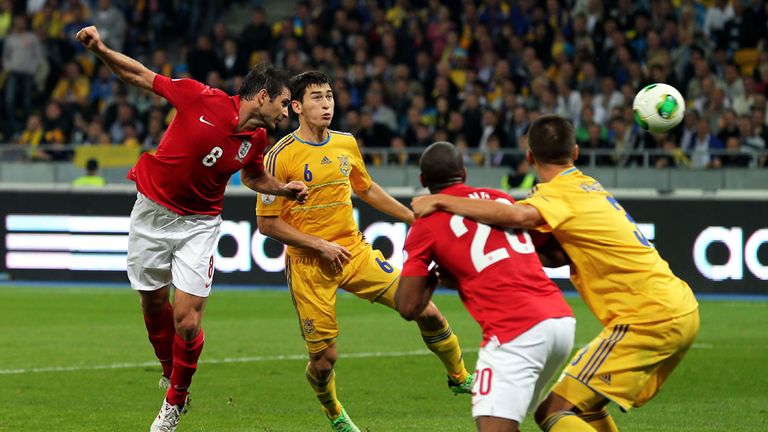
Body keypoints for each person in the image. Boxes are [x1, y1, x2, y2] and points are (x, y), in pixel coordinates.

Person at [75, 26, 308, 432]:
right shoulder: (202, 97)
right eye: (285, 103)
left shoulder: (255, 138)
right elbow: (141, 76)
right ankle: (172, 372)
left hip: (199, 225)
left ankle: (174, 402)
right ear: (263, 95)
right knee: (152, 305)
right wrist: (100, 48)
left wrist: (283, 190)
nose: (287, 112)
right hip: (151, 211)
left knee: (187, 319)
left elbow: (252, 178)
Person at [412, 114, 700, 432]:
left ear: (529, 156)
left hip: (646, 315)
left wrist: (443, 201)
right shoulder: (587, 187)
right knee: (584, 408)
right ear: (575, 152)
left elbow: (519, 215)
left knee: (552, 412)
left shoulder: (557, 195)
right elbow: (556, 253)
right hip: (678, 304)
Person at [256, 71, 472, 432]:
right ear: (295, 107)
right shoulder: (278, 157)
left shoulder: (346, 143)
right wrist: (319, 245)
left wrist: (410, 216)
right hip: (310, 265)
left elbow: (366, 189)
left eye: (329, 96)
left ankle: (460, 376)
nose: (326, 104)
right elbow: (267, 224)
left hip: (354, 252)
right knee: (324, 360)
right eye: (316, 98)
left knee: (426, 309)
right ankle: (334, 412)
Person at [395, 141, 576, 432]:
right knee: (546, 416)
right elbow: (557, 255)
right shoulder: (501, 201)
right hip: (560, 321)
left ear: (422, 181)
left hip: (515, 331)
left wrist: (434, 276)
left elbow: (407, 305)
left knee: (494, 426)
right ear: (464, 174)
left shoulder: (426, 223)